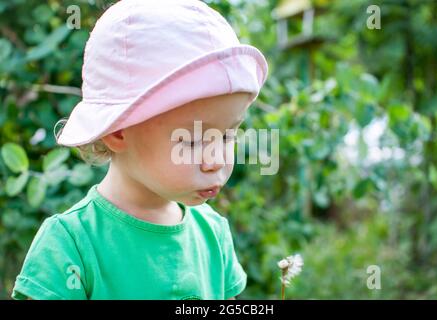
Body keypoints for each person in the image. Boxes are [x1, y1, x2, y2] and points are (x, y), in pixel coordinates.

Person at [12, 0, 268, 299]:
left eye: (228, 135)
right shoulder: (71, 246)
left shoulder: (213, 234)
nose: (217, 159)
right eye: (194, 140)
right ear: (118, 130)